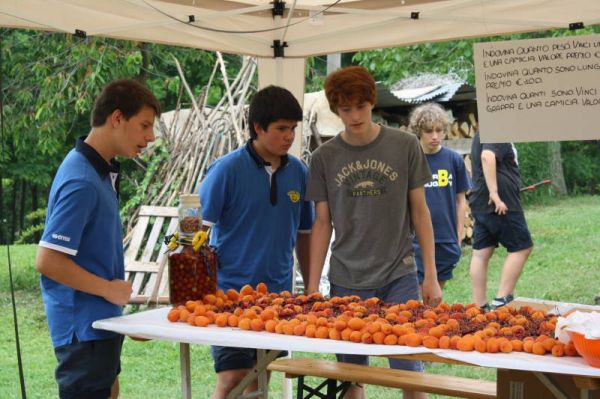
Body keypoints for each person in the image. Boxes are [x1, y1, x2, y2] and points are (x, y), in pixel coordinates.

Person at [305, 66, 442, 399]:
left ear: (372, 102)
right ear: (335, 110)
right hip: (346, 277)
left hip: (399, 274)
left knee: (409, 370)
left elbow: (420, 212)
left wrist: (431, 275)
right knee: (352, 376)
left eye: (360, 106)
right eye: (345, 109)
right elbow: (322, 224)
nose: (353, 115)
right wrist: (311, 286)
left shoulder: (405, 145)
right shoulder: (324, 157)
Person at [36, 79, 160, 399]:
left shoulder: (100, 171)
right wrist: (108, 289)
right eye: (145, 125)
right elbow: (48, 260)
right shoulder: (82, 180)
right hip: (82, 330)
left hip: (99, 324)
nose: (151, 137)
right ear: (117, 118)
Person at [199, 85, 314, 399]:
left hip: (278, 299)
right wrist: (188, 285)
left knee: (258, 379)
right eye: (281, 129)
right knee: (233, 377)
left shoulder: (300, 173)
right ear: (258, 128)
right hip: (229, 297)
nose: (289, 136)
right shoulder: (225, 170)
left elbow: (306, 235)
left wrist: (311, 288)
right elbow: (189, 231)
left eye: (293, 128)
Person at [408, 103, 471, 290]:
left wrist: (458, 236)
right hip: (416, 240)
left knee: (435, 296)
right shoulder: (410, 160)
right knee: (417, 298)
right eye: (428, 131)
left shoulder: (454, 160)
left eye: (439, 130)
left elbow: (461, 201)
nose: (435, 136)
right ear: (419, 131)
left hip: (446, 238)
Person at [468, 132, 533, 310]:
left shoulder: (479, 134)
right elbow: (487, 157)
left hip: (480, 201)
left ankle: (479, 306)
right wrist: (495, 194)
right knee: (522, 247)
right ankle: (502, 300)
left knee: (481, 252)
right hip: (501, 204)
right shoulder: (497, 129)